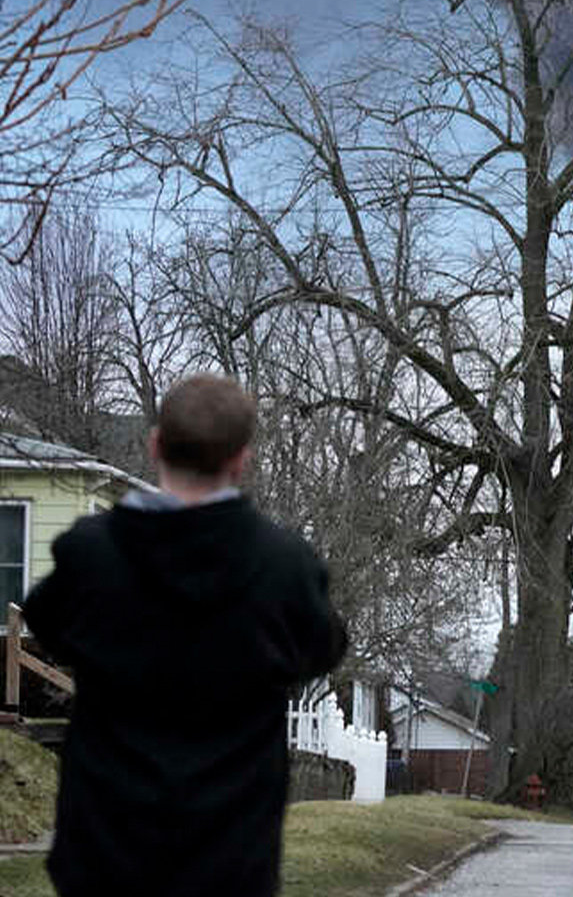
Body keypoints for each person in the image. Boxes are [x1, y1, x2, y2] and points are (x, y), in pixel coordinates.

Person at [23, 373, 347, 897]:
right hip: (231, 852)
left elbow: (48, 623)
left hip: (105, 847)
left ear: (154, 445)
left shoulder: (91, 557)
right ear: (241, 459)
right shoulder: (284, 568)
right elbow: (321, 648)